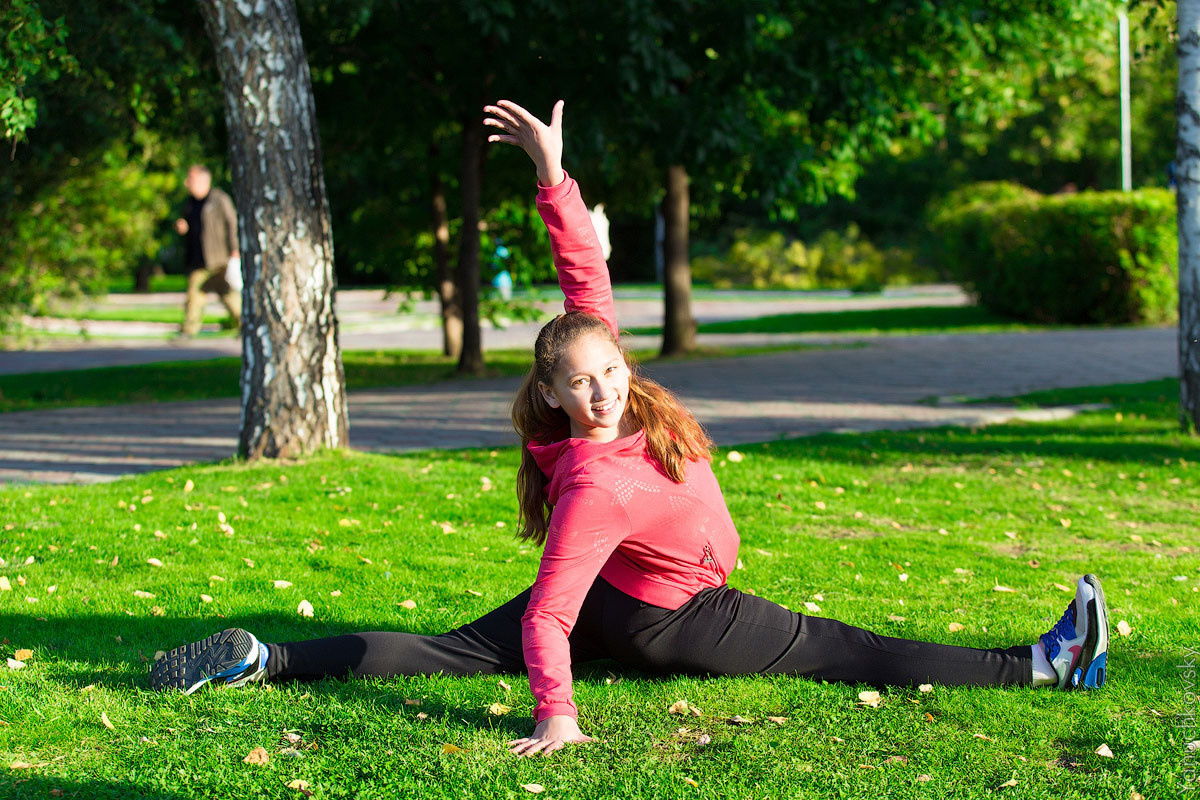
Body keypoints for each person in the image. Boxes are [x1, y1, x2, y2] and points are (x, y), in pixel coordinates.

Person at [149, 100, 1110, 758]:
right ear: (557, 397)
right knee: (838, 646)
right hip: (668, 617)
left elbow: (587, 297)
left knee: (451, 647)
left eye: (609, 373)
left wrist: (555, 180)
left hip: (626, 596)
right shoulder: (595, 483)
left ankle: (265, 660)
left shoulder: (588, 386)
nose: (606, 392)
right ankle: (1045, 665)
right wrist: (556, 716)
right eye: (586, 385)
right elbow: (549, 614)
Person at [174, 164, 241, 337]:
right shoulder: (190, 202)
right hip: (198, 258)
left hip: (219, 258)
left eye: (191, 179)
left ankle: (246, 325)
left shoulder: (219, 199)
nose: (187, 183)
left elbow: (232, 223)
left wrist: (234, 249)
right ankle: (189, 329)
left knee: (229, 296)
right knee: (194, 296)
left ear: (203, 180)